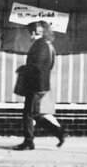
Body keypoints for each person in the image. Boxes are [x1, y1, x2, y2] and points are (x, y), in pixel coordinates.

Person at [18, 19, 67, 150]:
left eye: (29, 33)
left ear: (34, 32)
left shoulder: (40, 45)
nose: (28, 36)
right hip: (40, 85)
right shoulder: (44, 44)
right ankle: (59, 133)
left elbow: (37, 66)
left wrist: (26, 69)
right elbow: (45, 65)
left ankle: (28, 142)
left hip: (35, 85)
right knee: (35, 114)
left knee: (28, 113)